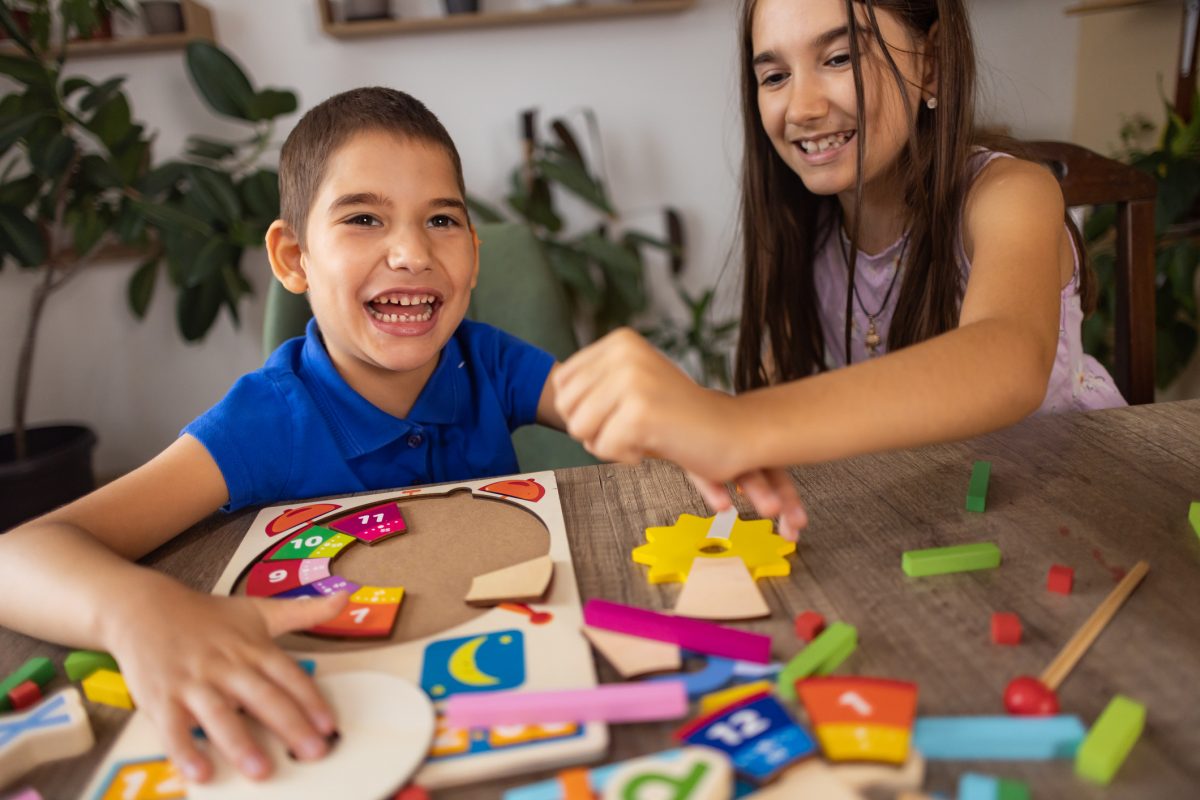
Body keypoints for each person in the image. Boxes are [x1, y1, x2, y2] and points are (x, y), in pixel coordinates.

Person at [0, 87, 566, 783]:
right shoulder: (269, 420)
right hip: (326, 713)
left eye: (441, 220)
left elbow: (622, 412)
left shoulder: (489, 360)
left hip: (495, 687)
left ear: (473, 258)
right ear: (294, 258)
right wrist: (137, 611)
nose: (413, 252)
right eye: (364, 217)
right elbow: (19, 555)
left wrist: (659, 407)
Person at [553, 0, 1124, 541]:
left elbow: (1008, 358)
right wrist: (695, 432)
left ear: (932, 63)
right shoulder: (805, 232)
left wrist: (741, 422)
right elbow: (781, 401)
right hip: (930, 515)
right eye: (774, 76)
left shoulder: (1010, 193)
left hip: (1080, 506)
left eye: (839, 57)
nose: (801, 108)